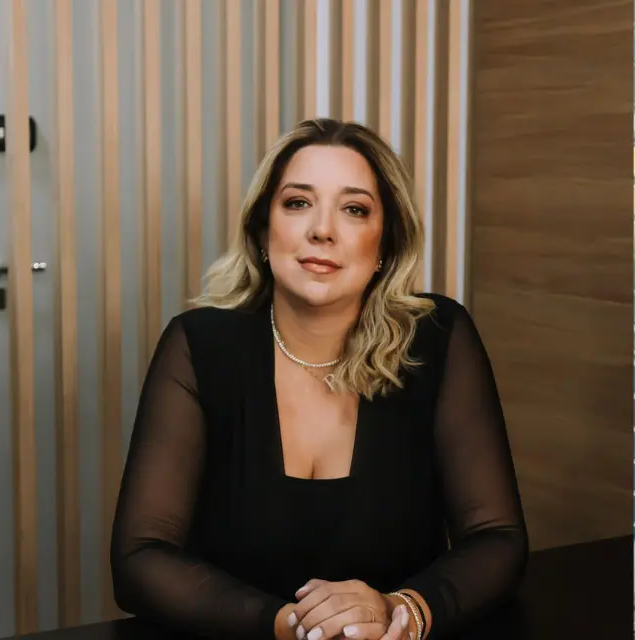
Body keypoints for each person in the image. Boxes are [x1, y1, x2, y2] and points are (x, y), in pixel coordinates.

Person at [110, 118, 529, 640]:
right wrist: (295, 626)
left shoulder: (437, 338)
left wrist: (403, 612)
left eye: (354, 209)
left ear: (385, 243)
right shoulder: (199, 345)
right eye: (298, 202)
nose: (322, 230)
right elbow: (139, 558)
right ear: (263, 230)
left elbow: (497, 538)